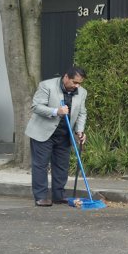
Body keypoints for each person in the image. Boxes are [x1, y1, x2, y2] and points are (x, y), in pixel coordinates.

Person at [25, 66, 88, 207]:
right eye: (74, 82)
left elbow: (82, 113)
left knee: (61, 166)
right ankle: (40, 197)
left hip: (64, 133)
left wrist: (80, 131)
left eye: (80, 83)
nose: (77, 86)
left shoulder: (82, 92)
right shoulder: (47, 86)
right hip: (43, 132)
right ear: (66, 77)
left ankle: (58, 195)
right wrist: (56, 111)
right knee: (40, 165)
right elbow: (36, 106)